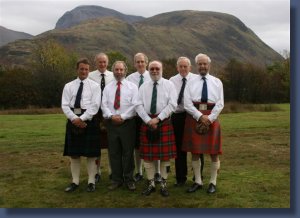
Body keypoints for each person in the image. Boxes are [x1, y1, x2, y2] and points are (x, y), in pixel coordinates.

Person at [183, 53, 224, 194]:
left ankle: (213, 182)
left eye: (204, 64)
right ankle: (198, 181)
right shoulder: (190, 82)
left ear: (209, 65)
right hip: (195, 117)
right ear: (196, 65)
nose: (202, 66)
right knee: (195, 151)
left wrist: (210, 118)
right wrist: (200, 116)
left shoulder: (217, 82)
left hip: (211, 118)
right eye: (200, 64)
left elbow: (220, 103)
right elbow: (187, 104)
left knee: (214, 153)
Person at [136, 60, 177, 197]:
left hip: (163, 122)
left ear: (162, 69)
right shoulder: (143, 87)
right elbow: (138, 105)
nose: (154, 71)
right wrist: (148, 120)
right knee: (147, 157)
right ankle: (151, 183)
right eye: (152, 68)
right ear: (149, 70)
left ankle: (164, 183)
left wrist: (158, 119)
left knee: (165, 157)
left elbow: (172, 105)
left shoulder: (169, 85)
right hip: (147, 122)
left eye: (157, 68)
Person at [62, 58, 101, 192]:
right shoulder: (68, 86)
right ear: (77, 69)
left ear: (89, 70)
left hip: (89, 120)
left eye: (86, 69)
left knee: (91, 154)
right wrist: (74, 119)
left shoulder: (95, 86)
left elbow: (95, 106)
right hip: (73, 119)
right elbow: (65, 105)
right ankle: (75, 181)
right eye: (81, 69)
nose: (84, 71)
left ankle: (91, 182)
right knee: (74, 154)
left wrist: (82, 118)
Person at [101, 61, 138, 191]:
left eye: (121, 70)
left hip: (127, 124)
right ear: (113, 71)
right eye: (116, 70)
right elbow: (103, 105)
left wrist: (122, 117)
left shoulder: (132, 87)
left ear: (125, 71)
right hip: (112, 124)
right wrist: (111, 116)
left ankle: (129, 179)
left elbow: (135, 105)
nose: (119, 72)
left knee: (128, 153)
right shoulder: (108, 88)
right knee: (114, 153)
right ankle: (116, 180)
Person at [126, 53, 161, 183]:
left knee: (155, 143)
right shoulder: (129, 78)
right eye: (137, 61)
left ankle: (157, 172)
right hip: (136, 117)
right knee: (137, 146)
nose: (140, 64)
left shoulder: (153, 75)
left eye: (142, 61)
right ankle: (139, 172)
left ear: (146, 62)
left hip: (152, 116)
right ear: (134, 63)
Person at [169, 57, 202, 187]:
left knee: (197, 147)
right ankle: (180, 178)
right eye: (180, 66)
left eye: (185, 66)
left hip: (193, 115)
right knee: (179, 148)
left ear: (190, 67)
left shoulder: (196, 79)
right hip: (177, 116)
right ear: (177, 67)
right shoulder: (172, 80)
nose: (183, 69)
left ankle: (197, 177)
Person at [89, 53, 114, 183]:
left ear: (107, 62)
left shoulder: (113, 75)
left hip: (109, 113)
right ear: (96, 63)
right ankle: (97, 172)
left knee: (111, 145)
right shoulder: (90, 76)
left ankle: (111, 171)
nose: (102, 64)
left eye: (104, 62)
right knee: (96, 145)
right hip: (95, 114)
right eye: (100, 62)